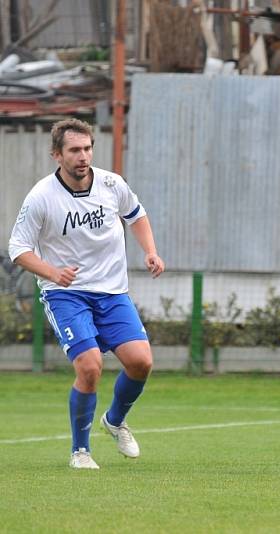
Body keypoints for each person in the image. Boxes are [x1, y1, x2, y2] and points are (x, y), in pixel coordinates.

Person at [8, 118, 165, 469]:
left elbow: (136, 215)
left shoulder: (112, 184)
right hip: (67, 294)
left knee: (142, 363)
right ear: (57, 155)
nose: (83, 156)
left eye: (88, 148)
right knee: (90, 366)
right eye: (75, 150)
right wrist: (53, 273)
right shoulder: (41, 197)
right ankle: (81, 451)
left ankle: (114, 420)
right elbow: (17, 249)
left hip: (112, 292)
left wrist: (150, 250)